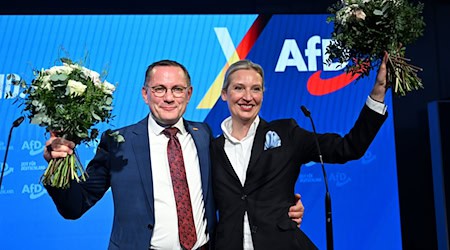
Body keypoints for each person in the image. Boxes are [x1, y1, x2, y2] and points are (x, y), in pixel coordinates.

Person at [43, 59, 304, 250]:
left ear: (188, 95)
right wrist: (57, 167)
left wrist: (282, 207)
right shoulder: (118, 142)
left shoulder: (204, 136)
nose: (169, 98)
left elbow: (237, 191)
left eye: (177, 89)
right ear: (145, 94)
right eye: (159, 89)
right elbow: (75, 206)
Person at [210, 56, 390, 249]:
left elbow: (348, 148)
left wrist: (378, 91)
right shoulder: (209, 148)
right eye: (239, 88)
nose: (248, 96)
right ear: (224, 94)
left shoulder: (287, 133)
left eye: (256, 89)